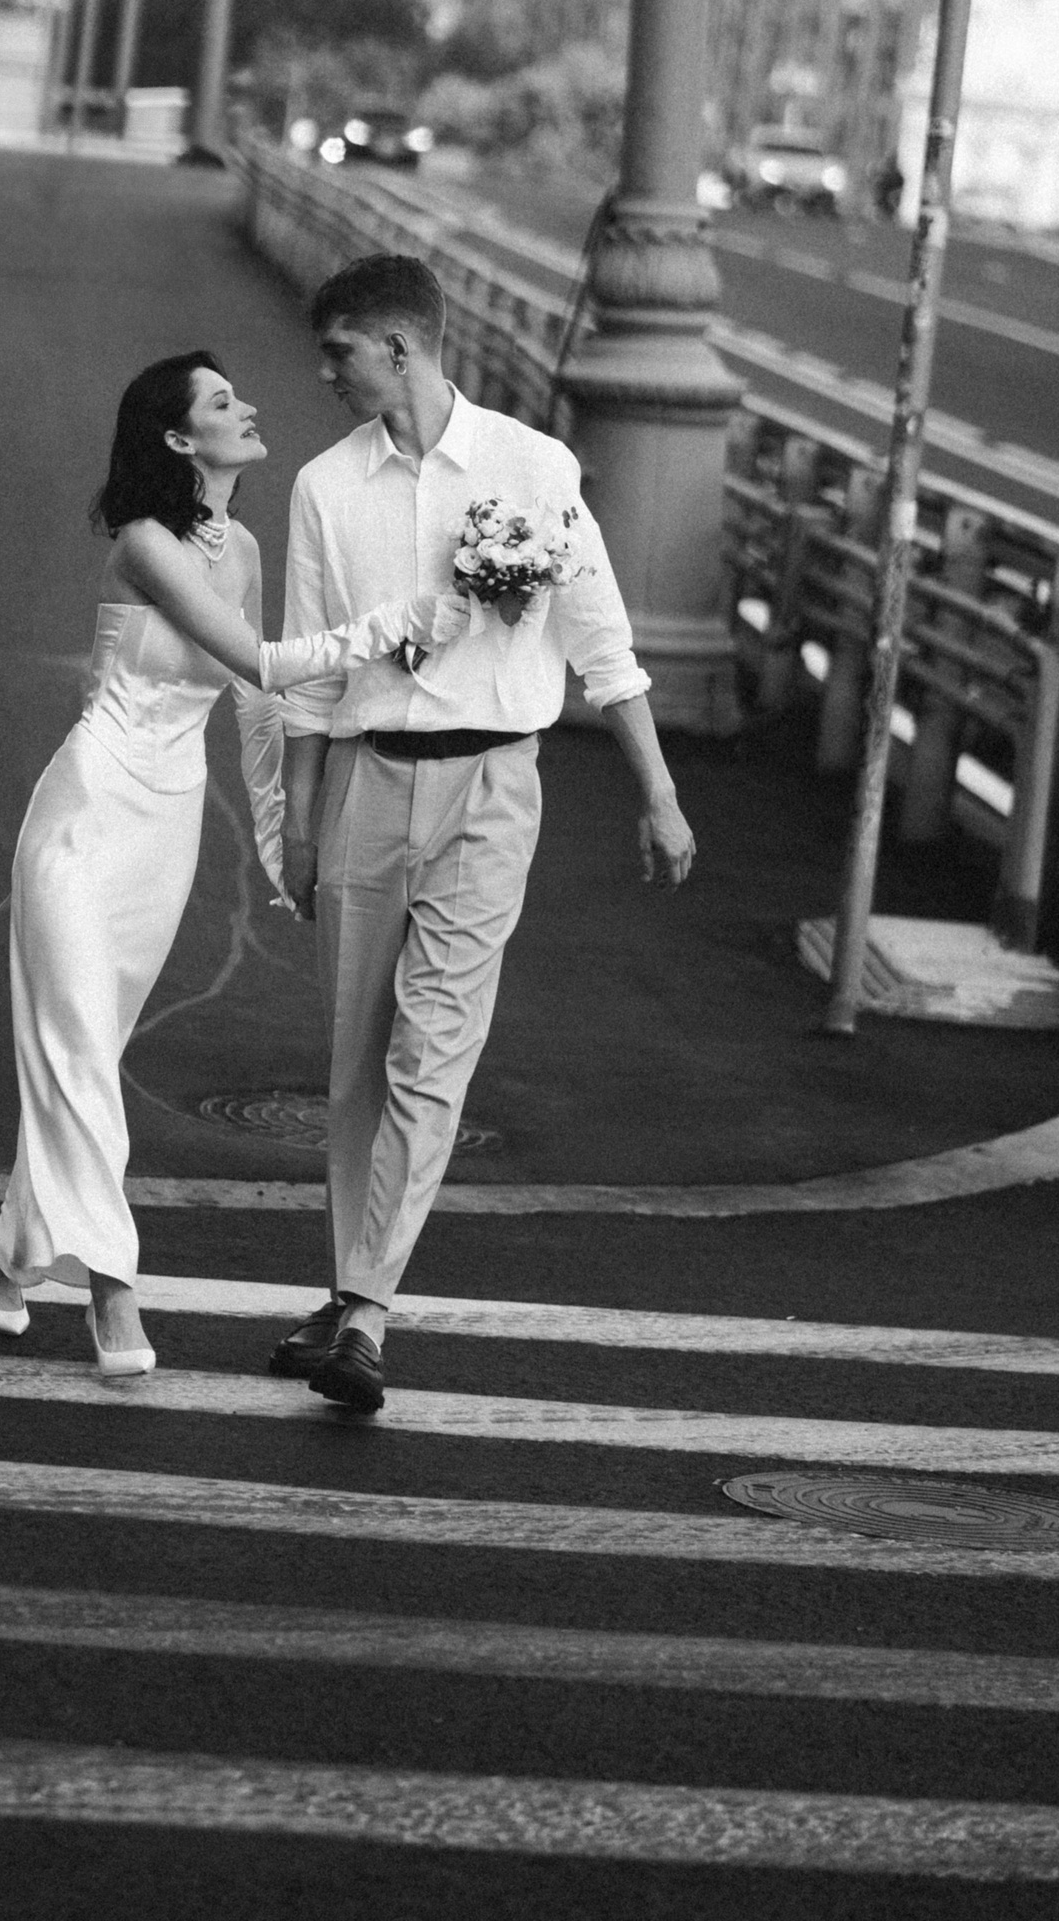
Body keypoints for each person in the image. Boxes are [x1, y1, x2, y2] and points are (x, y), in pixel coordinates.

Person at [0, 350, 464, 1380]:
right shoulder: (146, 544)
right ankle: (113, 1287)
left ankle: (11, 1249)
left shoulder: (239, 547)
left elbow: (254, 708)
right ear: (176, 437)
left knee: (87, 1047)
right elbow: (266, 661)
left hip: (165, 826)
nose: (248, 409)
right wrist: (401, 622)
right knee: (74, 1043)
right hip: (85, 811)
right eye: (222, 402)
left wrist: (287, 839)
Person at [273, 256, 697, 1416]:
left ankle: (366, 1316)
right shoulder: (323, 487)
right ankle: (349, 1290)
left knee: (433, 1054)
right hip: (365, 783)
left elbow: (601, 641)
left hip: (495, 787)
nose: (325, 374)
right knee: (355, 1063)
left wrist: (659, 791)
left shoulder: (533, 466)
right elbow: (306, 677)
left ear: (400, 347)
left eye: (340, 353)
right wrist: (296, 824)